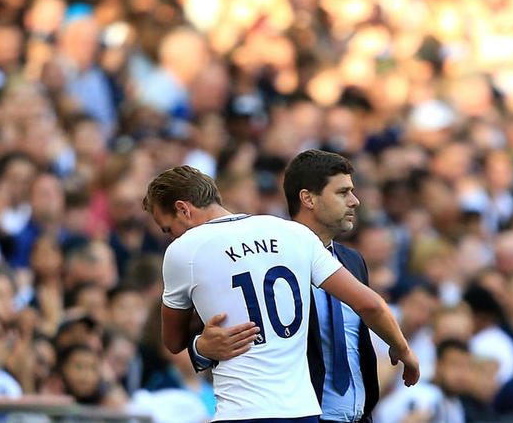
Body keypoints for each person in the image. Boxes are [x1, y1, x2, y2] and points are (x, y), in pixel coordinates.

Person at [143, 165, 419, 423]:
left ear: (183, 209)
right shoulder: (294, 234)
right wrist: (402, 349)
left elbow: (172, 340)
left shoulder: (184, 250)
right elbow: (370, 304)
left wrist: (201, 346)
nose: (171, 237)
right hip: (304, 410)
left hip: (242, 411)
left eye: (168, 228)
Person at [192, 149, 382, 422]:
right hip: (300, 415)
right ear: (308, 199)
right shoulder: (262, 262)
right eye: (342, 193)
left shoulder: (353, 261)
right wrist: (200, 349)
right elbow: (208, 334)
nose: (355, 201)